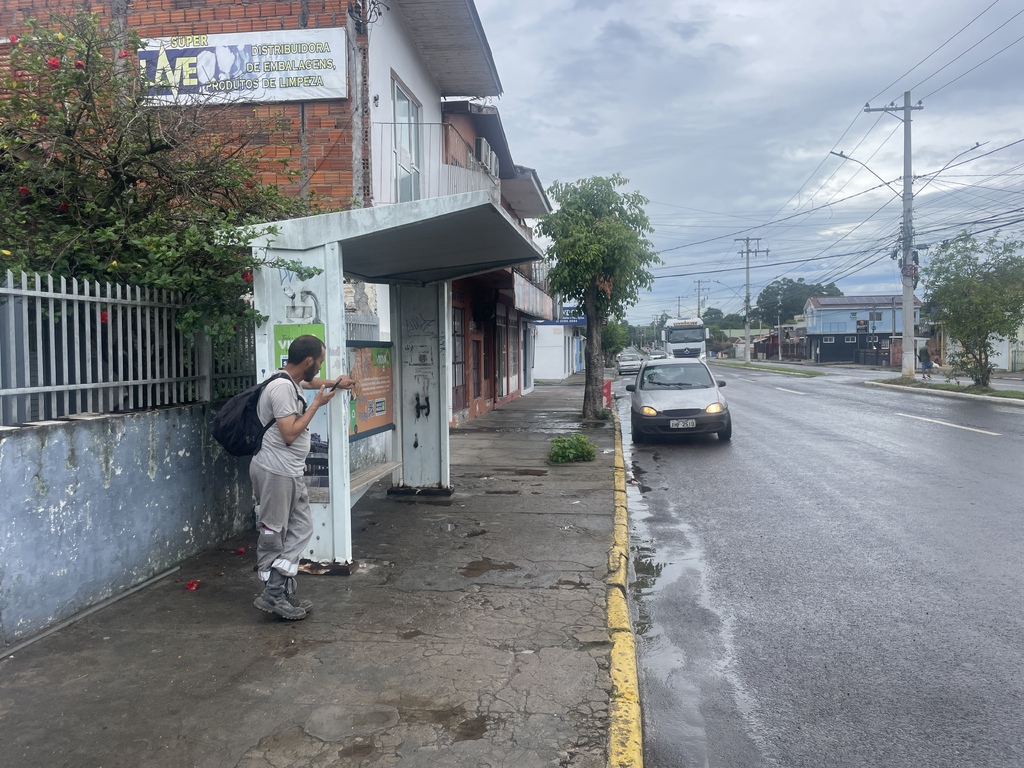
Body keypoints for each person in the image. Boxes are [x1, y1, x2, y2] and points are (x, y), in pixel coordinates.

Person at [251, 335, 356, 620]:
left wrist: (335, 383)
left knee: (301, 528)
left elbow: (308, 383)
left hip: (288, 470)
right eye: (319, 361)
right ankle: (273, 594)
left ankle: (279, 588)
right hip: (276, 469)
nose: (319, 366)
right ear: (308, 361)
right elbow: (289, 433)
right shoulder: (282, 388)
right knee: (274, 532)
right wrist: (316, 405)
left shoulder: (289, 379)